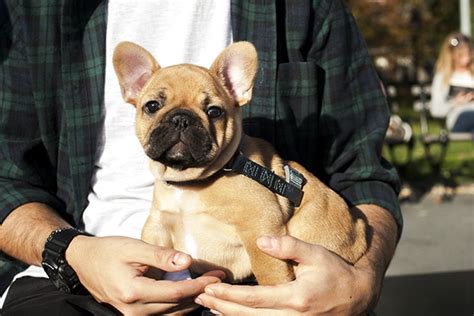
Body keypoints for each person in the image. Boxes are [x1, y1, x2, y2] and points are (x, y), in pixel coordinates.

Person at [0, 0, 402, 315]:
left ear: (238, 92)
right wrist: (73, 252)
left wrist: (361, 281)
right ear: (133, 88)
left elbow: (365, 172)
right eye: (156, 106)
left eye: (210, 113)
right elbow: (7, 179)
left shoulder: (308, 8)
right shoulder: (32, 11)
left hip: (285, 287)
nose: (180, 126)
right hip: (84, 270)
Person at [430, 32, 474, 133]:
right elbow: (436, 110)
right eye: (461, 53)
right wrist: (456, 102)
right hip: (459, 117)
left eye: (468, 51)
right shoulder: (443, 77)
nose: (466, 56)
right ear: (452, 55)